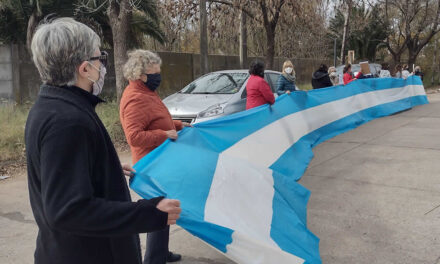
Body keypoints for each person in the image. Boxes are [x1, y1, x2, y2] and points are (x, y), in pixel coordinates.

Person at [25, 18, 181, 264]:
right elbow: (67, 211)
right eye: (100, 58)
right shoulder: (67, 121)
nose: (104, 66)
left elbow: (61, 173)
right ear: (85, 68)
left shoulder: (53, 107)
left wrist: (103, 169)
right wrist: (148, 213)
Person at [120, 49, 189, 264]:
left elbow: (158, 118)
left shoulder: (146, 92)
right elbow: (134, 136)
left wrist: (177, 125)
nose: (159, 75)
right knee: (159, 210)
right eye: (155, 72)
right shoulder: (135, 98)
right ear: (141, 75)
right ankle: (154, 259)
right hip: (151, 165)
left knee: (162, 208)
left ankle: (161, 252)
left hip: (160, 162)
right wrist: (164, 135)